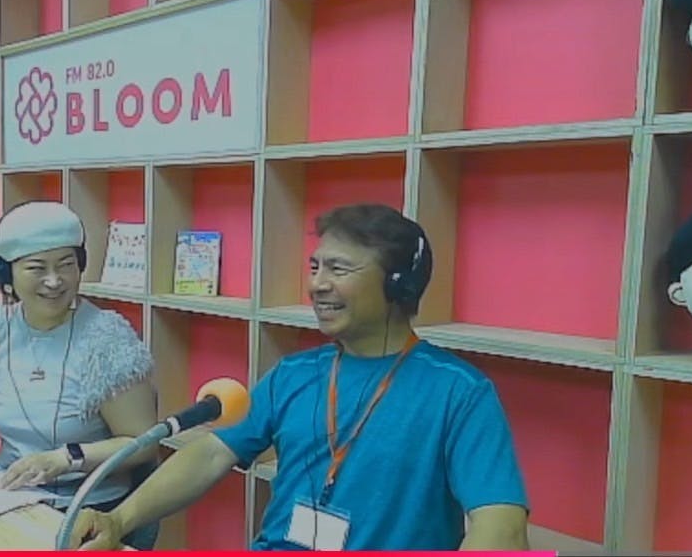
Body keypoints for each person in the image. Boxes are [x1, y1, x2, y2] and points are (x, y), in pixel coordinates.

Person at [68, 203, 531, 551]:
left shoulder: (458, 392)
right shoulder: (294, 373)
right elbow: (210, 454)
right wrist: (119, 519)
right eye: (315, 267)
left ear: (397, 284)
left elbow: (501, 527)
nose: (317, 284)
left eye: (338, 268)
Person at [0, 200, 161, 549]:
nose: (54, 281)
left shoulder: (108, 340)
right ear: (5, 275)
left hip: (87, 510)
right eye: (36, 268)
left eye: (66, 265)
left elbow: (142, 444)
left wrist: (66, 458)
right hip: (9, 500)